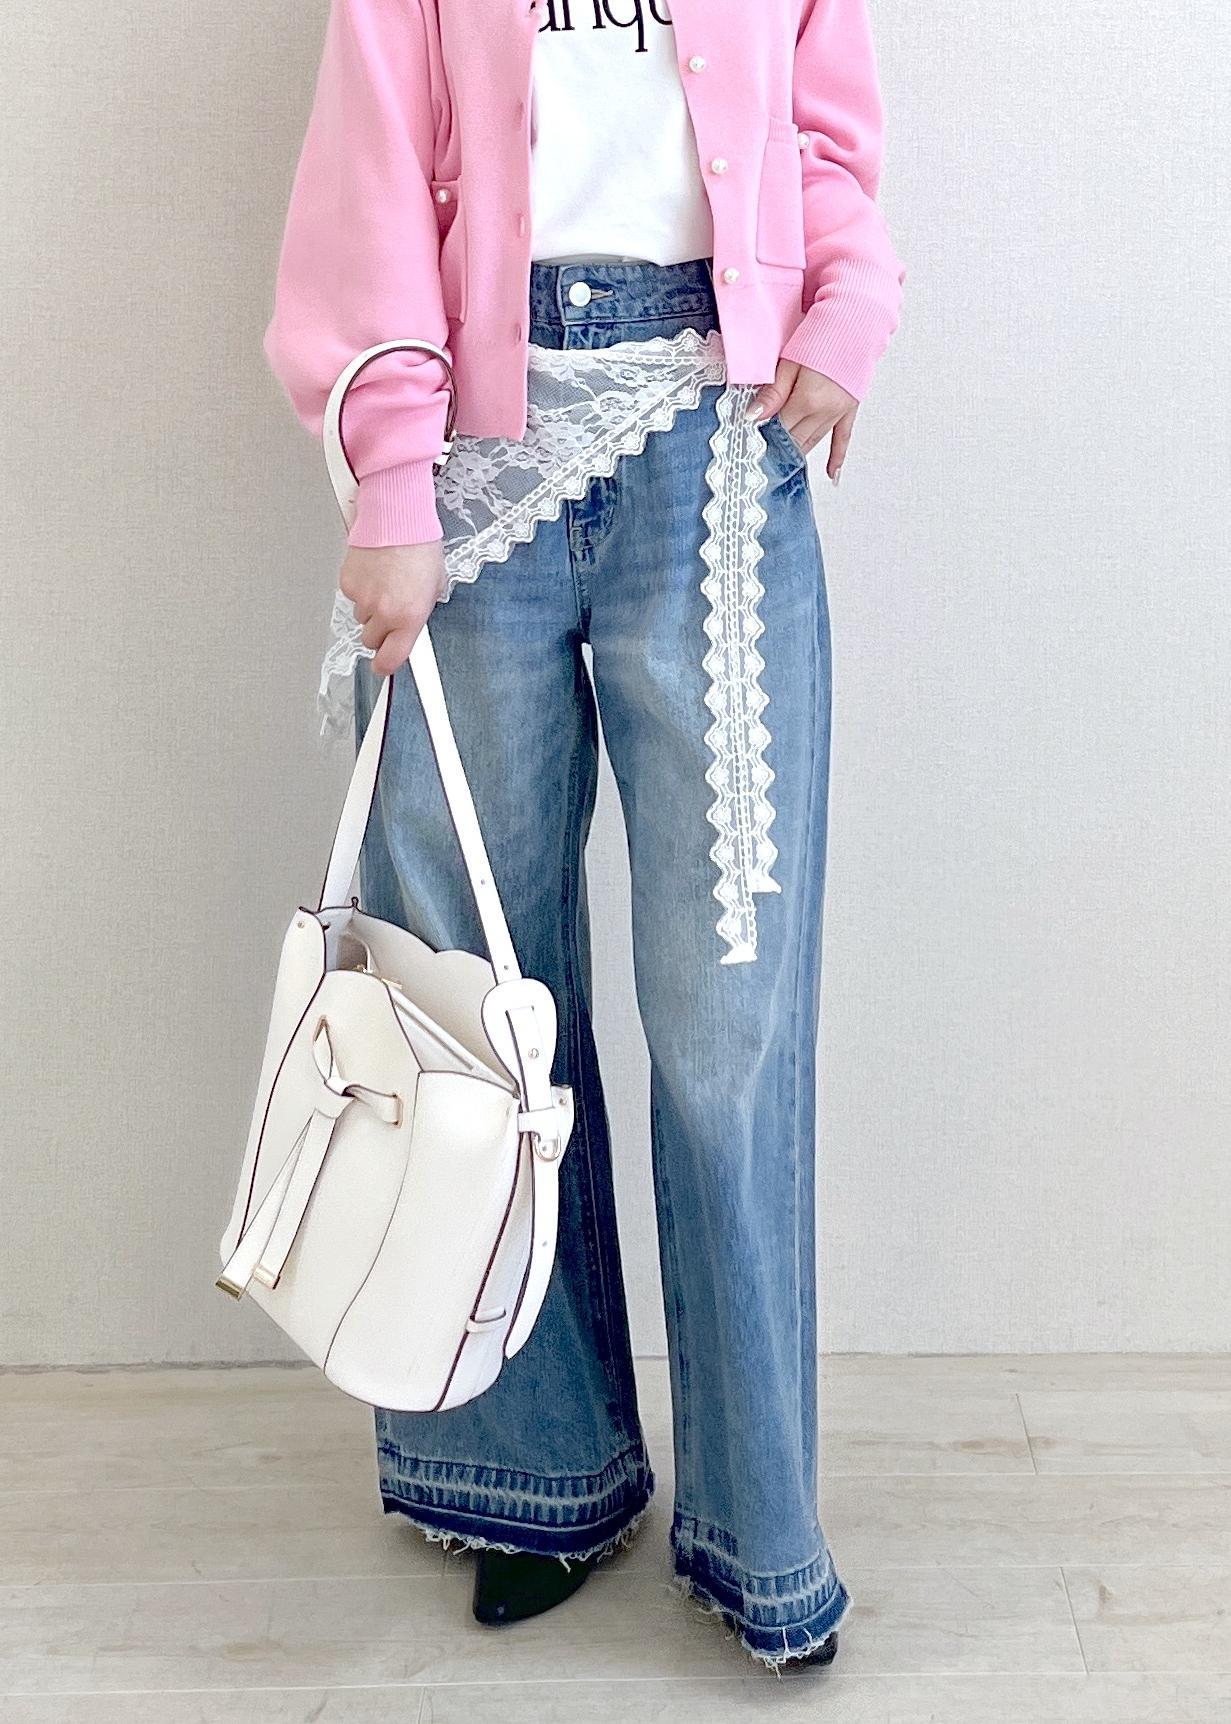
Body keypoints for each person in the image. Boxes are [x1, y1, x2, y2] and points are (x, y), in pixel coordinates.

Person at [262, 0, 905, 1675]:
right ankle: (530, 1476)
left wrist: (847, 304)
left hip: (720, 434)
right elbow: (371, 174)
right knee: (482, 1004)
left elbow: (824, 131)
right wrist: (391, 478)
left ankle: (760, 1529)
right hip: (475, 443)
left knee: (729, 1026)